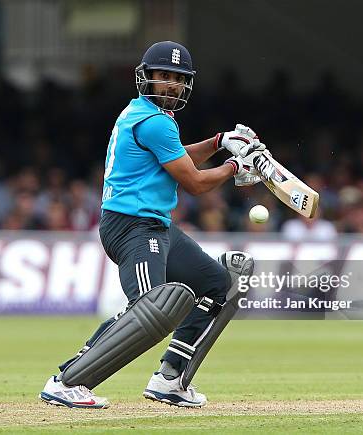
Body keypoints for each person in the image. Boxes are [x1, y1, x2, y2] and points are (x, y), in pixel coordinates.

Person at [39, 41, 265, 409]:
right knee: (149, 308)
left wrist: (223, 142)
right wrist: (236, 167)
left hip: (154, 225)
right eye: (164, 77)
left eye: (178, 79)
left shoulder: (153, 118)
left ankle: (170, 378)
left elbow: (178, 157)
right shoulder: (154, 121)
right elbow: (193, 182)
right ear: (147, 77)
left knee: (217, 284)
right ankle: (67, 379)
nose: (172, 85)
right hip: (131, 227)